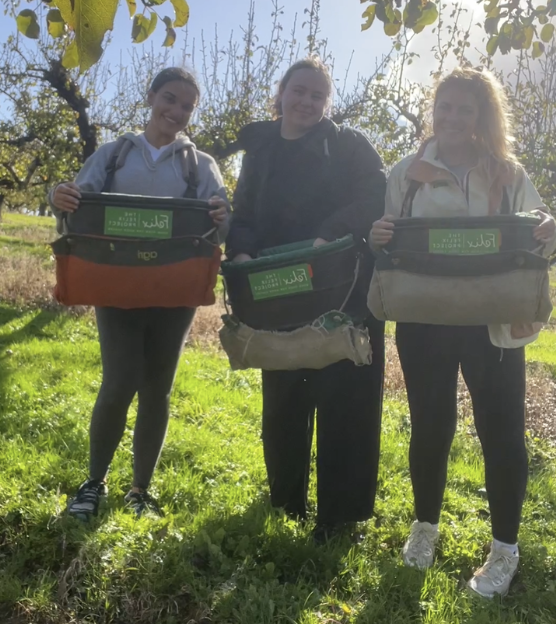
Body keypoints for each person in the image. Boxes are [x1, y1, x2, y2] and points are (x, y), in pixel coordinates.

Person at [370, 67, 556, 598]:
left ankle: (505, 549)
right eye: (444, 106)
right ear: (433, 109)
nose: (452, 117)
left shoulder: (507, 172)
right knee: (430, 426)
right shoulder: (406, 173)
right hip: (423, 321)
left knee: (502, 432)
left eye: (464, 109)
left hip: (492, 324)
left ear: (482, 116)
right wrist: (376, 233)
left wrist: (551, 226)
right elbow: (388, 238)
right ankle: (424, 527)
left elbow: (540, 227)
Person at [50, 67, 229, 520]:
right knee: (119, 382)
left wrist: (223, 214)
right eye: (169, 98)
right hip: (117, 286)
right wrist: (60, 197)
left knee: (158, 389)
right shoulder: (112, 156)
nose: (177, 111)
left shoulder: (201, 165)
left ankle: (139, 491)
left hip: (176, 289)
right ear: (150, 97)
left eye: (187, 106)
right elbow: (76, 207)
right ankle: (93, 483)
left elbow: (222, 224)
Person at [226, 58, 386, 543]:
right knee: (284, 398)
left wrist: (330, 232)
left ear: (327, 102)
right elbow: (243, 212)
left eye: (318, 95)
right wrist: (242, 250)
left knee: (347, 401)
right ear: (282, 92)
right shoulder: (260, 150)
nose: (307, 101)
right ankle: (286, 500)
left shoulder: (349, 145)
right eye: (299, 91)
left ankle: (339, 516)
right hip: (280, 290)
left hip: (344, 289)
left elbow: (376, 195)